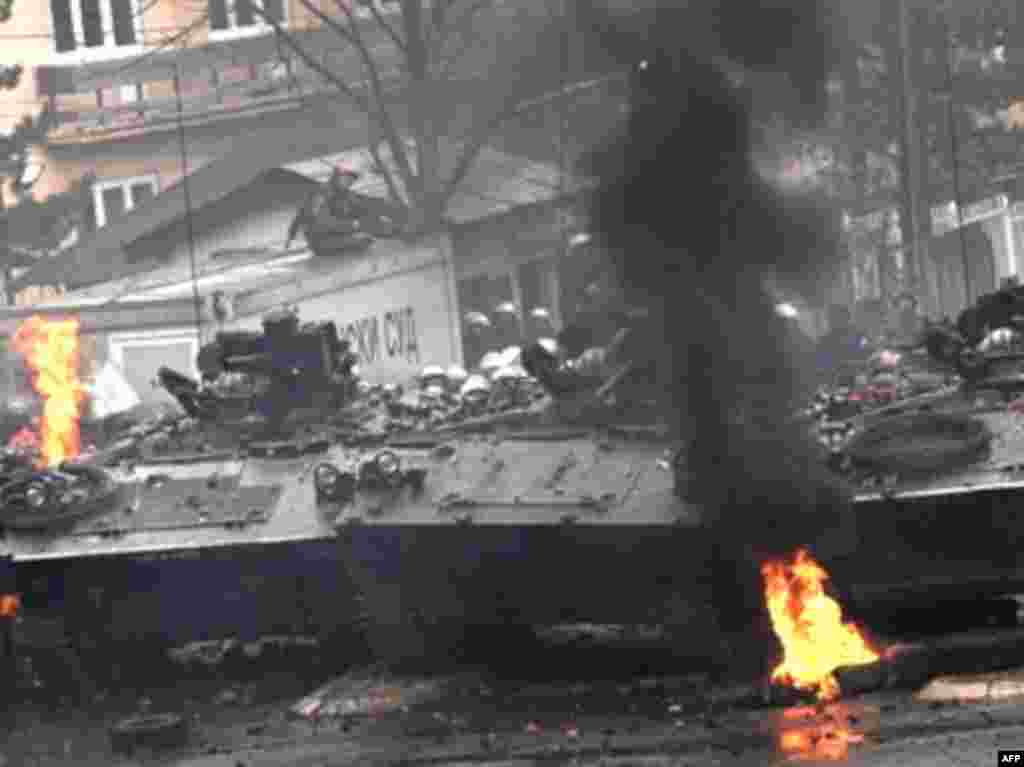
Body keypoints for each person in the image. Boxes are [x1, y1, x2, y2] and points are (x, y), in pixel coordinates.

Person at [816, 304, 871, 384]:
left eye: (838, 318)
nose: (832, 322)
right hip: (835, 382)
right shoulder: (825, 341)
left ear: (847, 318)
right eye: (832, 319)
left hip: (855, 381)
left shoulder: (859, 337)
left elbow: (867, 356)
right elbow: (821, 365)